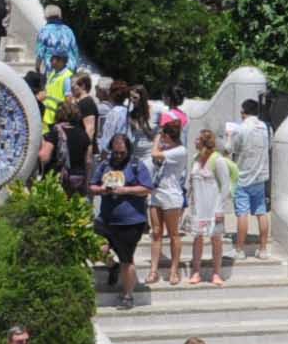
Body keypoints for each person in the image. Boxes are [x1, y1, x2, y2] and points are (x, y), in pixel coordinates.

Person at [94, 135, 151, 309]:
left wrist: (125, 190)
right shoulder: (104, 165)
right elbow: (92, 186)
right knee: (95, 247)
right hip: (106, 219)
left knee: (127, 259)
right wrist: (102, 190)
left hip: (130, 221)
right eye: (115, 152)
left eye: (122, 153)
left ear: (128, 151)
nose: (118, 156)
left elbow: (147, 188)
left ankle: (127, 295)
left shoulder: (136, 165)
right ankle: (112, 265)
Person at [225, 98, 272, 260]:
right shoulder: (266, 128)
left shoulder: (241, 129)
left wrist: (229, 136)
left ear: (243, 112)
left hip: (243, 177)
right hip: (260, 176)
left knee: (242, 213)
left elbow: (230, 149)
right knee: (261, 212)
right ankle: (263, 249)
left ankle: (239, 249)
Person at [148, 110, 191, 288]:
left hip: (172, 196)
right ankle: (153, 269)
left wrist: (158, 135)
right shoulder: (168, 149)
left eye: (164, 136)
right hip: (157, 193)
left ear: (168, 136)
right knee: (156, 233)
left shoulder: (180, 151)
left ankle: (174, 269)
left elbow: (154, 153)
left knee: (173, 234)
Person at [190, 128, 235, 285]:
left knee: (216, 239)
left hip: (213, 207)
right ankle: (196, 271)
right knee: (198, 238)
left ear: (204, 143)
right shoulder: (196, 159)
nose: (195, 141)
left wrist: (220, 209)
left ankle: (217, 273)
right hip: (198, 206)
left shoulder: (218, 160)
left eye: (198, 139)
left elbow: (225, 186)